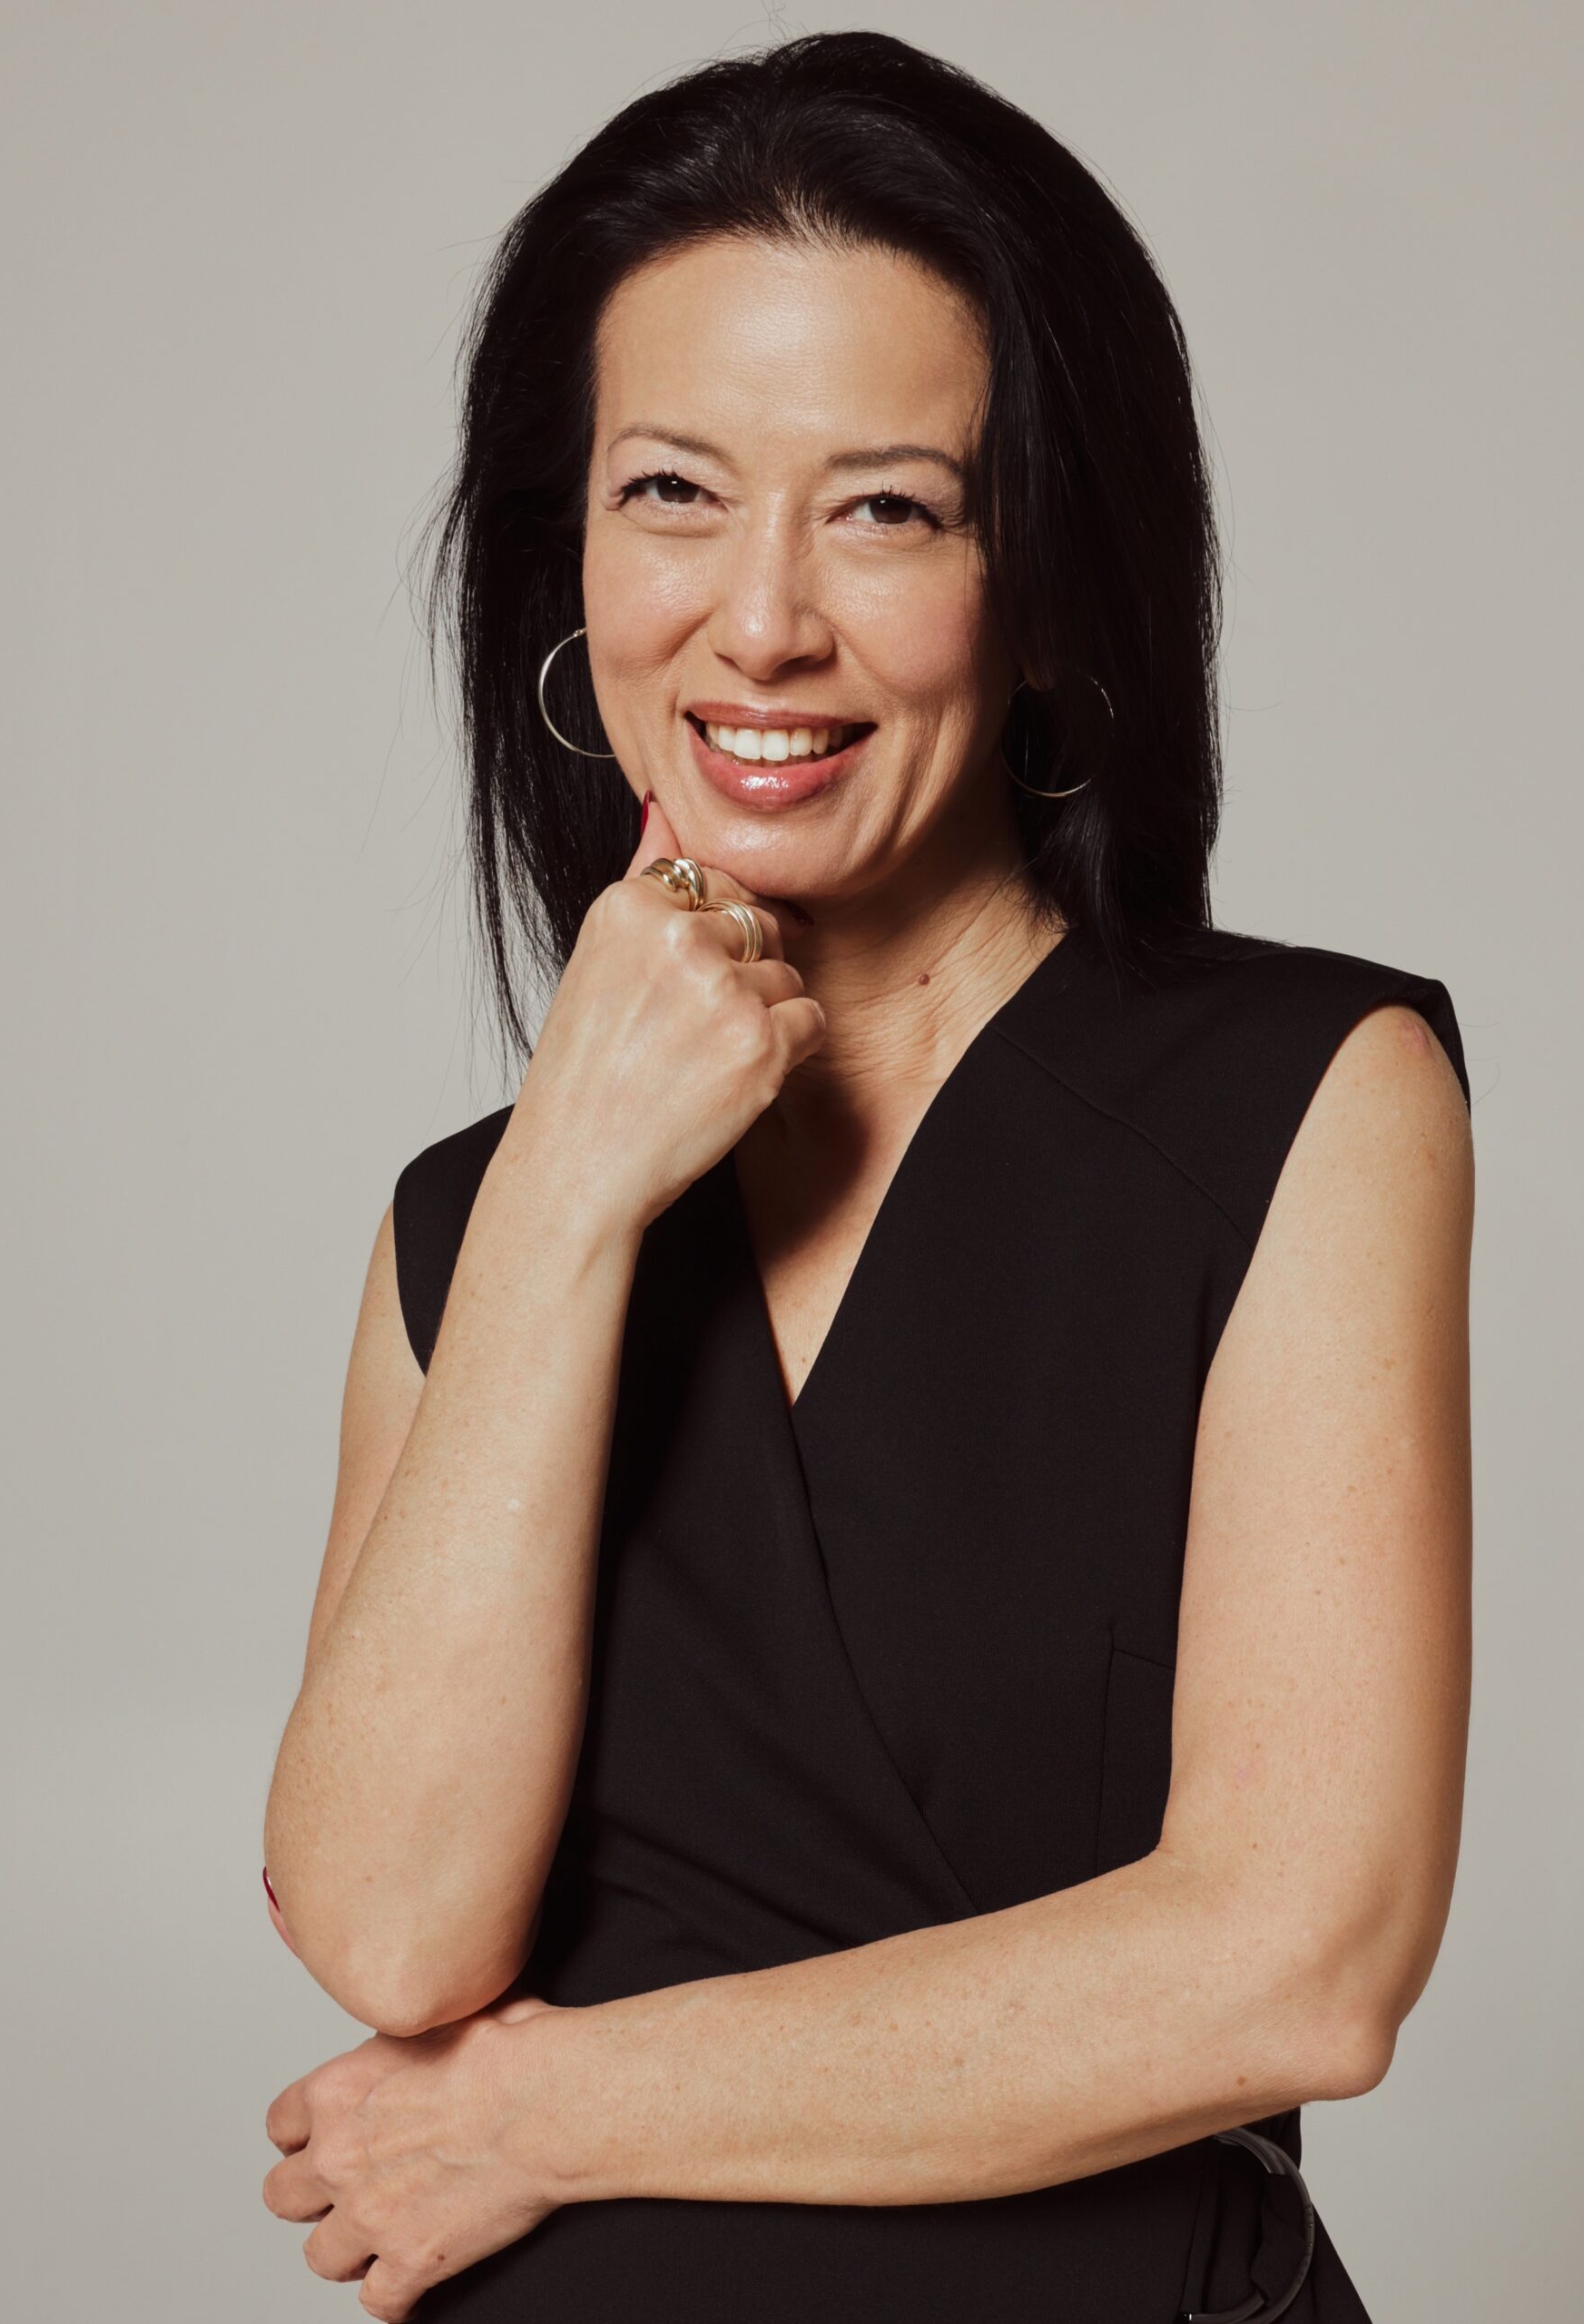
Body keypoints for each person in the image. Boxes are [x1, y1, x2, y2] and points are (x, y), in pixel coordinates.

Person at [259, 31, 1474, 2324]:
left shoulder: (1305, 1096)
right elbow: (391, 1927)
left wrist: (543, 2111)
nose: (760, 621)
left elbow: (1296, 1956)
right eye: (672, 491)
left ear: (1047, 583)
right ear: (566, 553)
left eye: (889, 508)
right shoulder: (473, 1214)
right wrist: (569, 1177)